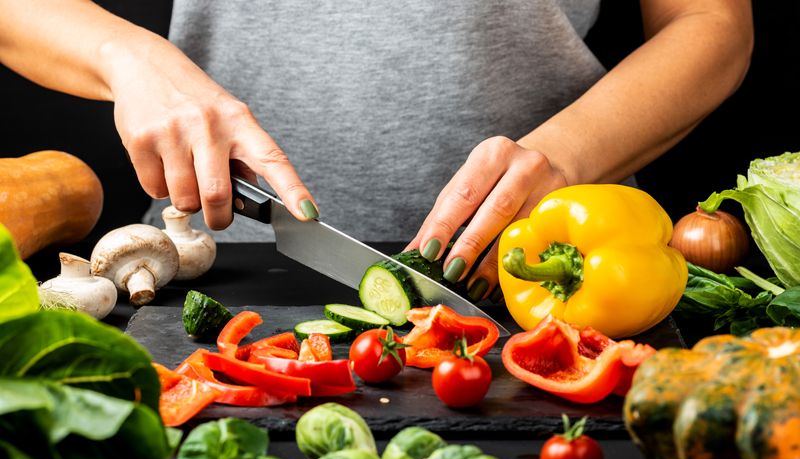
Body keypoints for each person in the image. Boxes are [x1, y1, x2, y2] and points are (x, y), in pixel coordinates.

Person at [0, 1, 753, 302]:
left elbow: (711, 23)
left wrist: (565, 157)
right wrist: (124, 57)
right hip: (203, 277)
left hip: (543, 281)